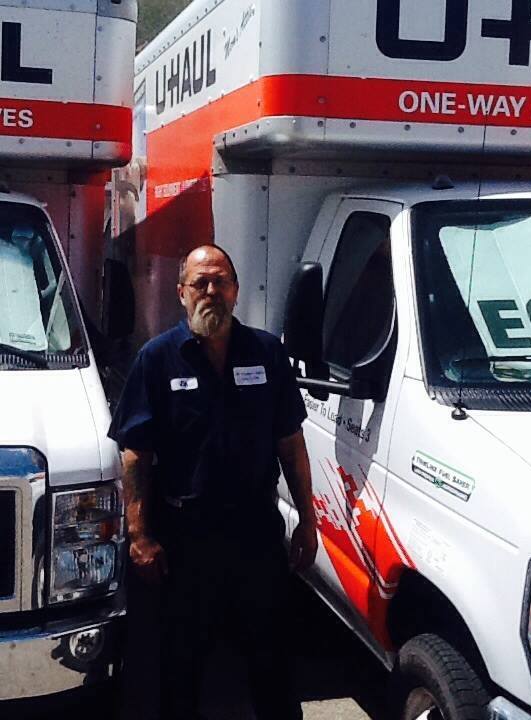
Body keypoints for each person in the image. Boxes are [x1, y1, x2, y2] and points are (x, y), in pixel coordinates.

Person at [108, 245, 317, 720]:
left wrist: (307, 519)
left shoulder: (267, 353)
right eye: (199, 283)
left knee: (273, 665)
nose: (211, 291)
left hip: (256, 536)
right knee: (179, 670)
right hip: (185, 542)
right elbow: (136, 453)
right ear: (181, 293)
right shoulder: (156, 359)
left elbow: (290, 443)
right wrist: (139, 535)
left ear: (236, 291)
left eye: (220, 281)